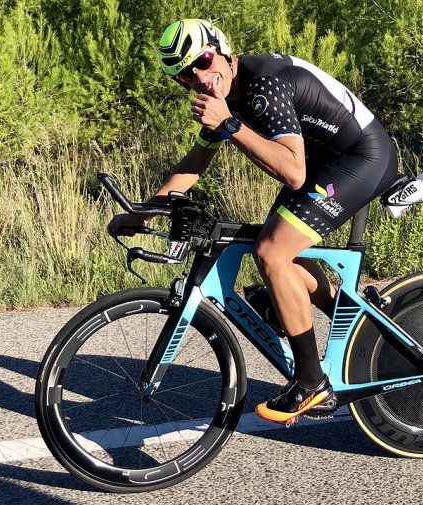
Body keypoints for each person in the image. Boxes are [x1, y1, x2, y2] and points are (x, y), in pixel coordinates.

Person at [107, 18, 400, 423]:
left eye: (203, 62)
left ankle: (312, 384)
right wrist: (145, 211)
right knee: (278, 250)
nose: (199, 78)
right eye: (184, 77)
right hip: (326, 161)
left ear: (224, 51)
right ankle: (351, 318)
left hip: (361, 157)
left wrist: (230, 124)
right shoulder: (227, 93)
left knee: (271, 251)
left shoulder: (262, 86)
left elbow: (294, 172)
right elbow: (196, 163)